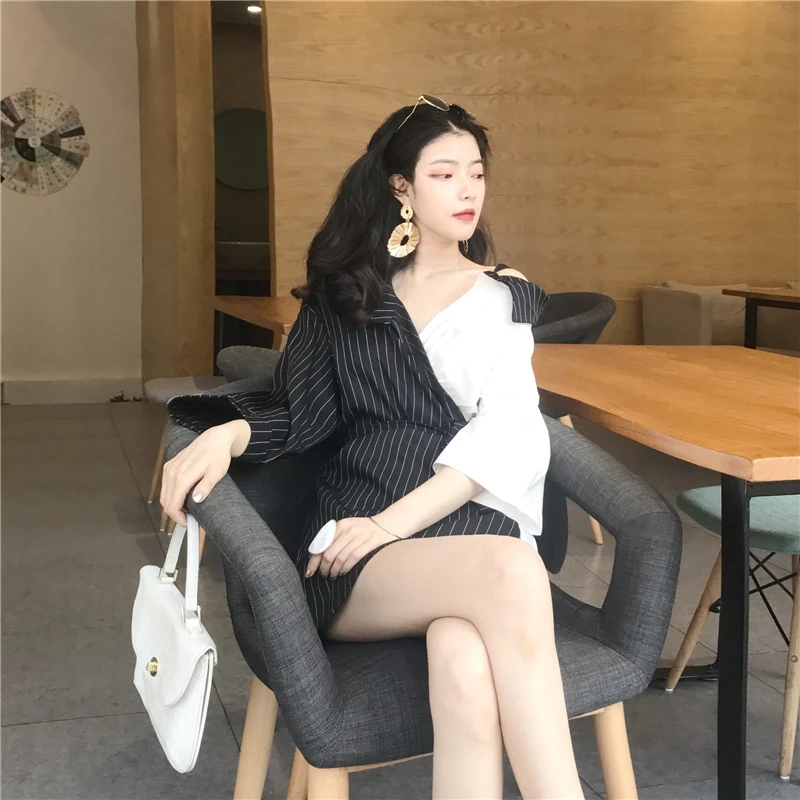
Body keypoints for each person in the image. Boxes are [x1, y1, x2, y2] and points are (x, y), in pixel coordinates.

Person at [162, 94, 583, 799]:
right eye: (444, 174)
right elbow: (298, 410)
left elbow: (510, 432)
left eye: (476, 172)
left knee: (464, 660)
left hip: (454, 524)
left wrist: (395, 522)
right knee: (514, 569)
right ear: (401, 187)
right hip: (354, 541)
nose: (468, 190)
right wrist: (230, 431)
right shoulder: (347, 295)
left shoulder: (502, 300)